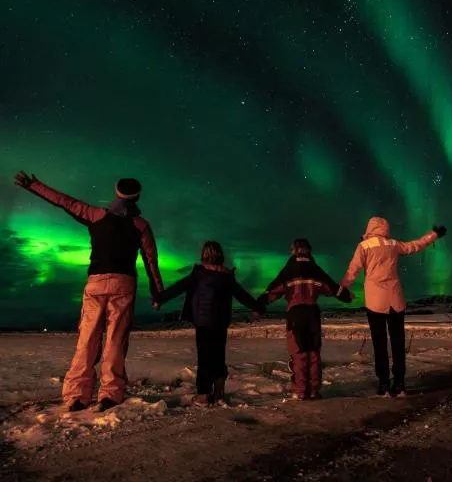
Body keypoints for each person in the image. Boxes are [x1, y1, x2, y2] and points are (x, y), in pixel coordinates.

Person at [14, 171, 164, 412]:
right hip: (124, 285)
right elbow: (151, 261)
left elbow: (65, 202)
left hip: (95, 283)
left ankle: (77, 396)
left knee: (87, 338)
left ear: (116, 192)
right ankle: (110, 394)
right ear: (137, 197)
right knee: (116, 339)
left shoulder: (97, 216)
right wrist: (158, 293)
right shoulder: (141, 225)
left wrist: (34, 185)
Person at [340, 217, 446, 397]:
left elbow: (353, 270)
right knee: (398, 343)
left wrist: (341, 289)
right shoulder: (393, 244)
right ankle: (400, 383)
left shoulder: (364, 246)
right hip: (395, 300)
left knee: (379, 343)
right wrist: (433, 235)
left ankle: (383, 383)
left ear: (370, 228)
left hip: (375, 301)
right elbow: (415, 246)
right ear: (385, 228)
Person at [154, 241, 262, 406]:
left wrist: (159, 298)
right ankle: (218, 389)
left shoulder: (199, 275)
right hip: (220, 322)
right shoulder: (227, 277)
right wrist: (256, 307)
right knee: (218, 356)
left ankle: (204, 394)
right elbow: (242, 295)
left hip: (203, 322)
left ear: (204, 255)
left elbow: (178, 288)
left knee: (205, 358)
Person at [256, 239, 353, 401]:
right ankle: (314, 390)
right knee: (313, 353)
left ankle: (300, 391)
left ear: (293, 250)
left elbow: (273, 290)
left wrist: (259, 306)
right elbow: (332, 288)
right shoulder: (315, 269)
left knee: (299, 353)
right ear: (309, 250)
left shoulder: (289, 270)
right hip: (313, 314)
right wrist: (347, 296)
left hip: (295, 315)